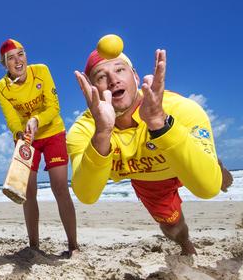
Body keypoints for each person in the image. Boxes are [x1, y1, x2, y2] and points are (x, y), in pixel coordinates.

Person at [67, 46, 233, 255]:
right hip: (150, 179)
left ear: (134, 75)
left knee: (215, 181)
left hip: (180, 152)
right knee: (172, 226)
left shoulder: (180, 108)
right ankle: (186, 246)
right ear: (91, 89)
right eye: (101, 76)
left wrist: (159, 123)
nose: (113, 80)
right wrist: (102, 132)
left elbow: (206, 189)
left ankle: (218, 169)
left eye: (120, 70)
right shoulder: (84, 129)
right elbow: (86, 195)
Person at [0, 39, 79, 256]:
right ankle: (33, 246)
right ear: (4, 64)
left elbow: (54, 107)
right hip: (26, 139)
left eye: (21, 54)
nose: (18, 60)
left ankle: (73, 246)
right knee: (28, 192)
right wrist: (20, 134)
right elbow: (11, 119)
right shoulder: (1, 88)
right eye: (11, 58)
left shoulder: (41, 71)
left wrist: (37, 119)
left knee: (60, 187)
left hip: (53, 133)